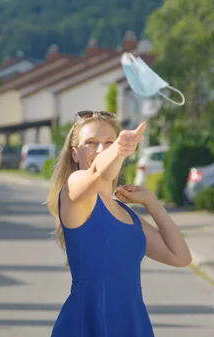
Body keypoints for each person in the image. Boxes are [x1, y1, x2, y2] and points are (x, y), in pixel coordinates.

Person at [46, 110, 192, 337]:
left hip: (132, 324)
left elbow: (180, 256)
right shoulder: (73, 189)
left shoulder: (127, 214)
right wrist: (119, 147)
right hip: (87, 325)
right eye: (91, 143)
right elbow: (97, 172)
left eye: (108, 142)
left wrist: (151, 202)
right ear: (75, 154)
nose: (101, 149)